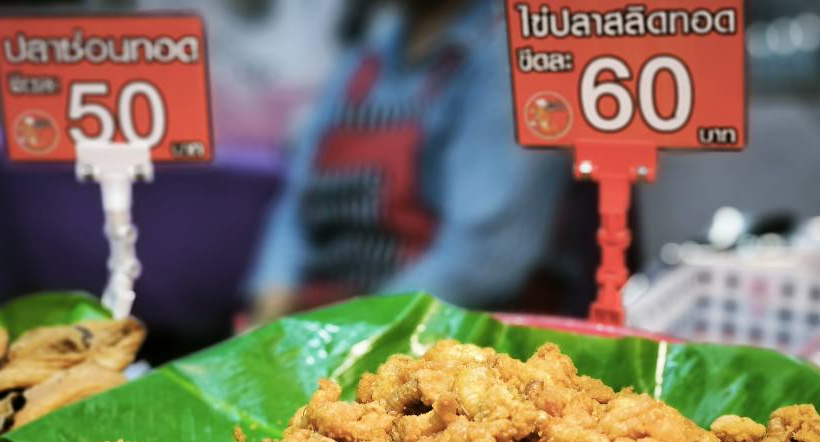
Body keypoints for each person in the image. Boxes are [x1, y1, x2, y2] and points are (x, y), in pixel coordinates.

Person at [246, 0, 574, 324]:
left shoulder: (507, 58)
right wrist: (271, 308)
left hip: (440, 333)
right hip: (328, 324)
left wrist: (351, 334)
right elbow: (296, 206)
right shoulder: (373, 49)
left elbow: (482, 257)